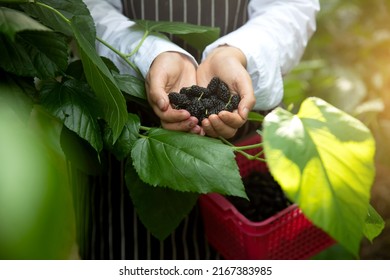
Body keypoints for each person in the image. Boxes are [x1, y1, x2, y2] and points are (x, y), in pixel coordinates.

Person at [79, 0, 319, 260]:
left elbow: (292, 6)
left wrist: (237, 53)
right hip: (127, 136)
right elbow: (85, 10)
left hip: (244, 130)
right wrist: (149, 54)